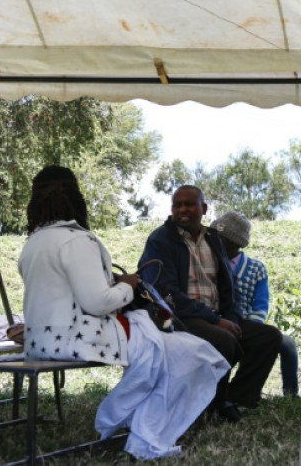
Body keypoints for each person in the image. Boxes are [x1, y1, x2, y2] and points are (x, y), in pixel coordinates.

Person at [18, 166, 229, 459]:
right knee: (195, 353)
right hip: (79, 340)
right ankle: (145, 430)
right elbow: (99, 303)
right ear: (76, 197)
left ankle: (134, 419)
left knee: (171, 350)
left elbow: (65, 294)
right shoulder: (78, 240)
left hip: (40, 343)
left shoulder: (33, 242)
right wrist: (128, 285)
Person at [138, 185, 282, 423]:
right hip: (179, 317)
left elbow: (229, 288)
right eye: (177, 205)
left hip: (216, 316)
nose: (183, 209)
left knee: (269, 337)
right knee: (224, 340)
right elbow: (165, 292)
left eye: (190, 204)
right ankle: (212, 404)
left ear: (204, 208)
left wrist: (232, 320)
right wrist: (216, 321)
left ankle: (232, 398)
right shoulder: (161, 239)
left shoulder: (214, 239)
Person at [213, 211, 300, 397]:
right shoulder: (210, 263)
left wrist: (251, 327)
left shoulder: (256, 268)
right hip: (219, 322)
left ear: (235, 243)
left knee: (287, 344)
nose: (215, 243)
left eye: (221, 239)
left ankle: (291, 394)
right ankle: (226, 393)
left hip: (249, 325)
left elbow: (261, 304)